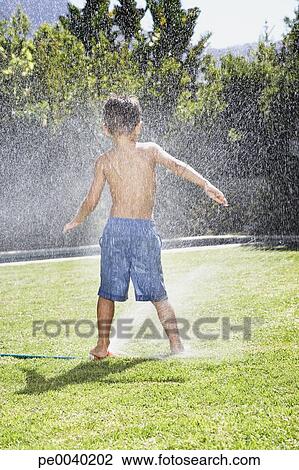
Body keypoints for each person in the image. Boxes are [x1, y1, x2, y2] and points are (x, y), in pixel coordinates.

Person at [63, 95, 228, 359]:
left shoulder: (104, 161)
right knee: (158, 293)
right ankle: (176, 345)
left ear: (105, 128)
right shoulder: (150, 150)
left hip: (115, 231)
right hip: (143, 231)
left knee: (107, 292)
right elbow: (178, 166)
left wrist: (77, 219)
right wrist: (205, 183)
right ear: (138, 125)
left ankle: (102, 346)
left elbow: (90, 201)